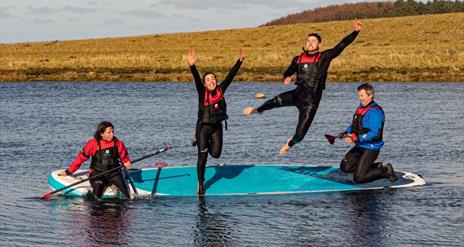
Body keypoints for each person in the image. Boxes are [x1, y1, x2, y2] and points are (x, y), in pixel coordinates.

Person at [243, 19, 363, 155]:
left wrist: (356, 32)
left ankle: (290, 143)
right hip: (297, 94)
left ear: (319, 44)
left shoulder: (324, 57)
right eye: (308, 40)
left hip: (310, 104)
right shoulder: (298, 59)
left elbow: (341, 45)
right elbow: (288, 71)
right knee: (274, 102)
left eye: (314, 41)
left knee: (299, 136)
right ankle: (258, 110)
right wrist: (287, 76)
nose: (310, 43)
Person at [186, 49, 244, 194]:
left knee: (216, 154)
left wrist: (239, 61)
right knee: (203, 157)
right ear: (205, 84)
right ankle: (201, 183)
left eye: (213, 79)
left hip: (217, 127)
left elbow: (231, 76)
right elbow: (196, 79)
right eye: (208, 80)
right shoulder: (202, 92)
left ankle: (200, 141)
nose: (211, 81)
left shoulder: (221, 90)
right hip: (203, 128)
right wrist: (192, 66)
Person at [339, 83, 397, 183]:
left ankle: (385, 170)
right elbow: (355, 125)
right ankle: (374, 167)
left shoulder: (375, 112)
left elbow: (375, 134)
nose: (359, 98)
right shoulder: (361, 108)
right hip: (360, 145)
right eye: (359, 95)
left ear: (370, 96)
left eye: (362, 96)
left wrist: (355, 138)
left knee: (359, 178)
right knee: (345, 167)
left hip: (371, 148)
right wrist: (345, 132)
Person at [59, 121, 132, 199]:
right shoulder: (92, 143)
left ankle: (113, 186)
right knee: (97, 196)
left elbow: (125, 158)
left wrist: (127, 163)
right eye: (109, 132)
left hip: (114, 173)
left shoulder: (118, 143)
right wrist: (69, 171)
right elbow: (80, 158)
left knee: (127, 195)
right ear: (101, 134)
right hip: (97, 174)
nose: (112, 134)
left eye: (112, 132)